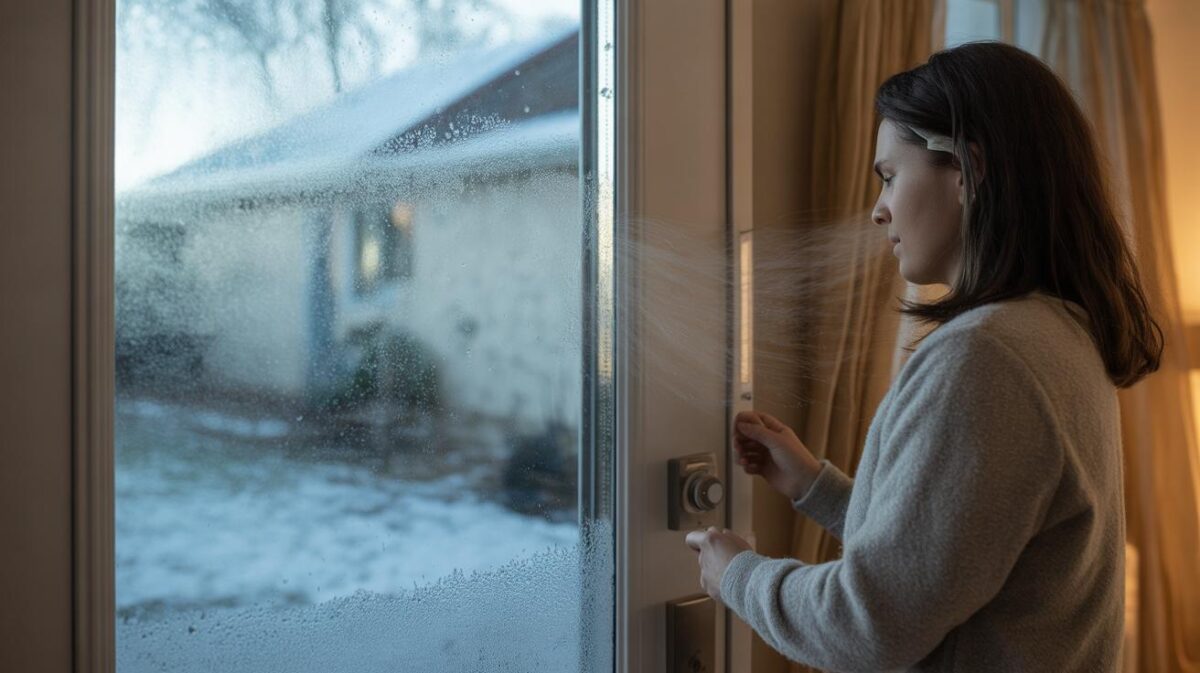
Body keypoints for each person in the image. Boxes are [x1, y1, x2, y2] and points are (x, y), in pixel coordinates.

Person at [685, 41, 1163, 672]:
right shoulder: (1055, 333)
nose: (878, 209)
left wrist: (737, 574)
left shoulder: (985, 359)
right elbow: (956, 550)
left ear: (966, 169)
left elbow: (869, 625)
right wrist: (813, 486)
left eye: (889, 175)